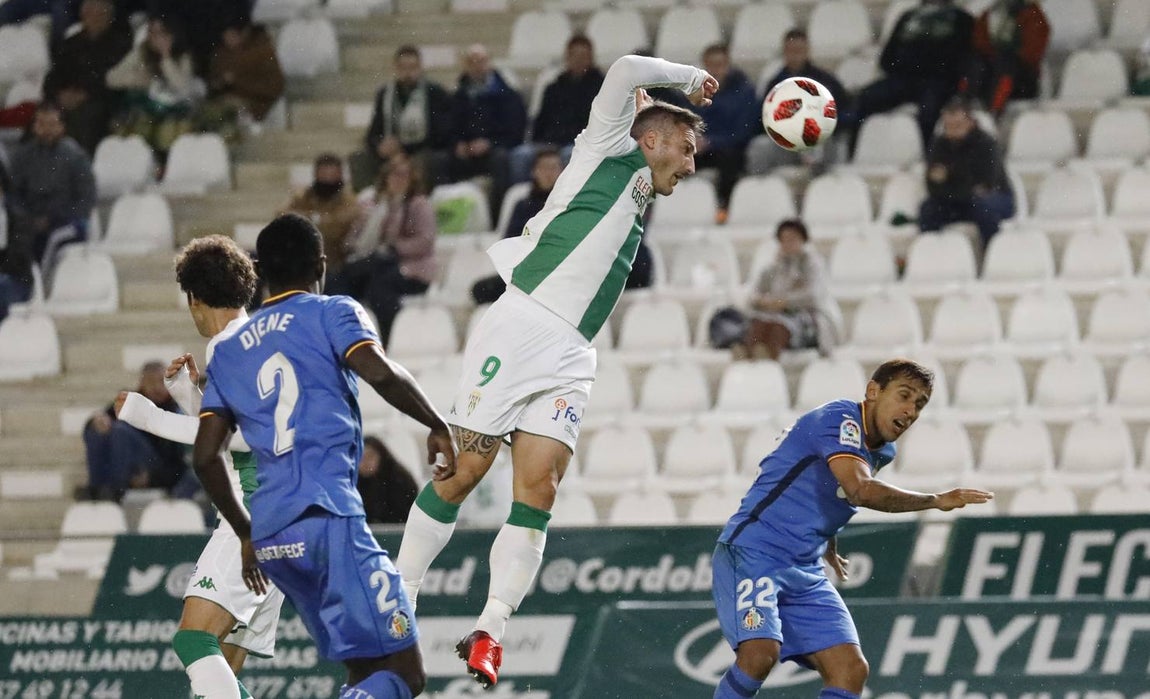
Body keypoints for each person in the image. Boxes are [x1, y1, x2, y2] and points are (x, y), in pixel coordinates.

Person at [396, 53, 718, 688]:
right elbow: (626, 68)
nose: (690, 161)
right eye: (683, 148)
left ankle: (489, 629)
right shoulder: (604, 149)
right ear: (649, 138)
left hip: (572, 354)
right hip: (522, 326)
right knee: (467, 471)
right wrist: (685, 78)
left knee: (539, 492)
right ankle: (400, 595)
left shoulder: (643, 192)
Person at [193, 213, 457, 699]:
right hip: (325, 517)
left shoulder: (227, 353)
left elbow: (206, 456)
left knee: (363, 674)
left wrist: (246, 530)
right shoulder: (332, 311)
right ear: (321, 263)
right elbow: (378, 373)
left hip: (272, 536)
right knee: (405, 675)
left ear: (261, 270)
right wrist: (437, 423)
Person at [711, 359, 994, 699]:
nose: (911, 411)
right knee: (759, 655)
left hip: (804, 566)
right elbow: (859, 489)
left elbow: (827, 486)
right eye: (904, 396)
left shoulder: (883, 450)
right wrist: (935, 500)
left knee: (850, 669)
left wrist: (827, 539)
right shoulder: (838, 419)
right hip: (755, 551)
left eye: (920, 404)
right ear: (873, 391)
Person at [113, 235, 283, 699]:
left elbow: (225, 438)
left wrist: (149, 416)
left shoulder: (227, 349)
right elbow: (245, 432)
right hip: (287, 513)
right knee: (218, 676)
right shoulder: (263, 340)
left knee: (192, 639)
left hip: (254, 518)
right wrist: (191, 396)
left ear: (194, 298)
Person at [328, 155, 438, 348]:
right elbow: (353, 242)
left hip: (412, 269)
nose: (398, 180)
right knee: (339, 280)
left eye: (404, 175)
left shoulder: (419, 204)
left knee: (379, 288)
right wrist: (365, 224)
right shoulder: (375, 205)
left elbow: (425, 242)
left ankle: (387, 341)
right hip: (378, 263)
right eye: (394, 175)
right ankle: (342, 338)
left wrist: (395, 247)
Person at [851, 0, 973, 153]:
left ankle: (928, 158)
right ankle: (854, 153)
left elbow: (960, 58)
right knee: (866, 98)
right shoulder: (909, 17)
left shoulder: (961, 19)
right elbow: (887, 58)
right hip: (902, 78)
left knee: (929, 110)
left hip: (938, 80)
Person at [7, 102, 96, 286]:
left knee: (52, 240)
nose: (46, 130)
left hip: (67, 222)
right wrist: (26, 218)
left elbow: (85, 198)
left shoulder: (75, 157)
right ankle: (14, 289)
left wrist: (55, 217)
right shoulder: (23, 156)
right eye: (41, 124)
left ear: (62, 127)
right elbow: (13, 194)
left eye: (51, 124)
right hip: (30, 221)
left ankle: (39, 288)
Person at [83, 361, 189, 501]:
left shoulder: (175, 410)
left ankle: (115, 490)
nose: (157, 387)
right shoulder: (129, 401)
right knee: (96, 430)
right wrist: (95, 422)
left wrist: (151, 479)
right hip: (124, 461)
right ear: (142, 383)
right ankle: (96, 489)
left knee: (120, 431)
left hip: (153, 467)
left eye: (161, 382)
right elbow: (100, 423)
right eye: (151, 382)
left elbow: (178, 464)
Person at [918, 97, 1014, 252]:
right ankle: (931, 254)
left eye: (957, 125)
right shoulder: (939, 145)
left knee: (984, 207)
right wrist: (958, 182)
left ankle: (992, 254)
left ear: (970, 122)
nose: (952, 131)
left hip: (995, 197)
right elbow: (932, 184)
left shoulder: (986, 144)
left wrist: (949, 177)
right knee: (928, 209)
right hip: (957, 198)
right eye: (948, 126)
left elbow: (986, 183)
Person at [748, 29, 848, 176]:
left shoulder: (825, 81)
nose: (794, 55)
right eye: (790, 51)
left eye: (799, 50)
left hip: (818, 141)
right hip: (787, 144)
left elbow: (844, 113)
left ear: (807, 51)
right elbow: (764, 119)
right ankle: (759, 191)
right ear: (784, 52)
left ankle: (818, 189)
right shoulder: (775, 83)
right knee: (760, 147)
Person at [447, 43, 527, 225]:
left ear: (489, 63)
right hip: (467, 151)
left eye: (481, 61)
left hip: (496, 149)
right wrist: (458, 143)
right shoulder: (458, 96)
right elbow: (451, 128)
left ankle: (497, 219)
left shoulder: (507, 95)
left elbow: (515, 131)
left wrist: (490, 143)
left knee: (500, 161)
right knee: (444, 160)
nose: (477, 66)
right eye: (472, 61)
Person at [471, 147, 563, 305]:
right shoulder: (523, 206)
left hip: (558, 272)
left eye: (553, 167)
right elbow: (510, 241)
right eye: (544, 167)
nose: (549, 173)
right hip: (526, 271)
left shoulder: (568, 205)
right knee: (481, 289)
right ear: (534, 171)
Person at [355, 45, 454, 191]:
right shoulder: (385, 94)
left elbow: (442, 134)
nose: (408, 73)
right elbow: (373, 132)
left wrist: (403, 148)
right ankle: (369, 204)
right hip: (392, 151)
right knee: (359, 159)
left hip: (424, 149)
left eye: (412, 67)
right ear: (396, 68)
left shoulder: (434, 93)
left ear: (420, 67)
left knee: (425, 162)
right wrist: (379, 146)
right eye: (403, 67)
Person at [39, 0, 133, 154]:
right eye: (89, 13)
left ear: (109, 16)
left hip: (101, 99)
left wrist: (83, 95)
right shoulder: (72, 43)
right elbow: (54, 75)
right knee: (44, 113)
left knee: (89, 115)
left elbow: (115, 78)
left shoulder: (121, 42)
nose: (93, 17)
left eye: (99, 14)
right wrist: (58, 95)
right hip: (66, 99)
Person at [735, 219, 836, 361]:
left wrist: (784, 302)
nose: (788, 244)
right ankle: (748, 355)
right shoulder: (773, 267)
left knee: (778, 327)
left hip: (804, 317)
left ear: (803, 240)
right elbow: (754, 292)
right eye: (784, 240)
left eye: (792, 239)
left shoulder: (812, 265)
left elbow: (813, 295)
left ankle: (768, 357)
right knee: (758, 325)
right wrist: (763, 301)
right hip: (773, 314)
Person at [106, 16, 206, 159]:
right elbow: (111, 78)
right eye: (152, 33)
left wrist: (166, 58)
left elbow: (183, 89)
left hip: (176, 112)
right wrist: (137, 80)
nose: (157, 38)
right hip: (147, 110)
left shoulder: (182, 56)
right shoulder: (141, 53)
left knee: (172, 130)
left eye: (162, 33)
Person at [508, 34, 604, 184]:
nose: (578, 60)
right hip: (550, 141)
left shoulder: (601, 88)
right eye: (574, 55)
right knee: (520, 156)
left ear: (590, 58)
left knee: (568, 155)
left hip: (580, 143)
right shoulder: (553, 88)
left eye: (583, 56)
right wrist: (540, 141)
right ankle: (526, 196)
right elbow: (541, 120)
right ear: (567, 57)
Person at [690, 43, 760, 216]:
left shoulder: (743, 92)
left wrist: (711, 142)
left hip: (732, 149)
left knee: (730, 160)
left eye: (720, 65)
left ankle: (724, 208)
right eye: (711, 65)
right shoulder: (694, 93)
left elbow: (744, 132)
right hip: (702, 148)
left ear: (728, 65)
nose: (715, 70)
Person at [200, 13, 285, 140]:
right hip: (223, 101)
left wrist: (238, 82)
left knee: (226, 113)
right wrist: (220, 82)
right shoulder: (221, 53)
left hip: (255, 105)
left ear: (244, 33)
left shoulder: (263, 52)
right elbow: (212, 82)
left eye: (231, 35)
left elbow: (275, 87)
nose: (227, 39)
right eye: (225, 36)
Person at [280, 152, 362, 276]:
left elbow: (338, 227)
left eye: (332, 175)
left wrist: (311, 220)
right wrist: (317, 218)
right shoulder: (305, 196)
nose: (328, 180)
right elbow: (282, 213)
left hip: (336, 263)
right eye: (324, 175)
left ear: (340, 175)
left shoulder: (348, 200)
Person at [967, 0, 1049, 114]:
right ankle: (965, 105)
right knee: (975, 63)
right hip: (992, 75)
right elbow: (979, 43)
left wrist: (1006, 53)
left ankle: (995, 111)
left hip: (1021, 81)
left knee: (1006, 62)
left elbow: (1032, 54)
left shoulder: (1033, 15)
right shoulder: (992, 13)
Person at [358, 436, 419, 525]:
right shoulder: (353, 483)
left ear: (381, 456)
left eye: (370, 456)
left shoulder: (400, 480)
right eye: (360, 457)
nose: (365, 462)